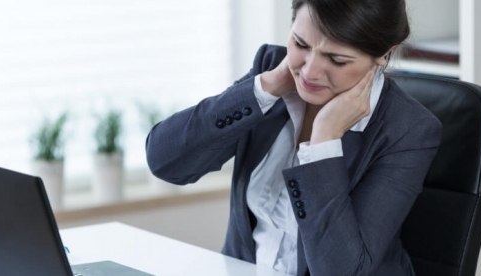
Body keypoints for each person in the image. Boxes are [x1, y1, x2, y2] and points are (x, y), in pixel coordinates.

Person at [145, 0, 442, 274]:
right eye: (301, 44)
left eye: (336, 60)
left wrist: (324, 142)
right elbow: (166, 162)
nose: (310, 71)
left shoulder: (408, 130)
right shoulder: (271, 67)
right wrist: (265, 88)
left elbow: (341, 270)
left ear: (383, 55)